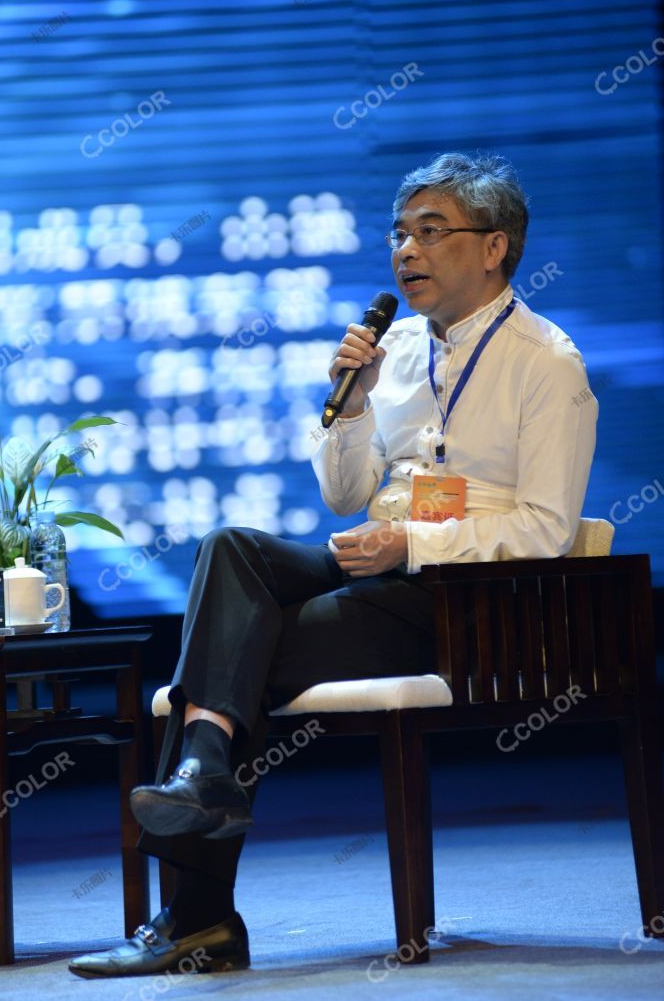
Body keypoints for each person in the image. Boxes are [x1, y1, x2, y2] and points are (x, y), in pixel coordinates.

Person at [68, 152, 597, 979]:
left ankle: (195, 918)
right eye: (399, 233)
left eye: (431, 232)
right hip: (378, 566)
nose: (405, 252)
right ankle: (206, 771)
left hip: (463, 603)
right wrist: (349, 407)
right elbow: (348, 494)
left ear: (494, 248)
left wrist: (413, 545)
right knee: (230, 551)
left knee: (224, 662)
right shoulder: (399, 350)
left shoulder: (548, 363)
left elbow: (548, 527)